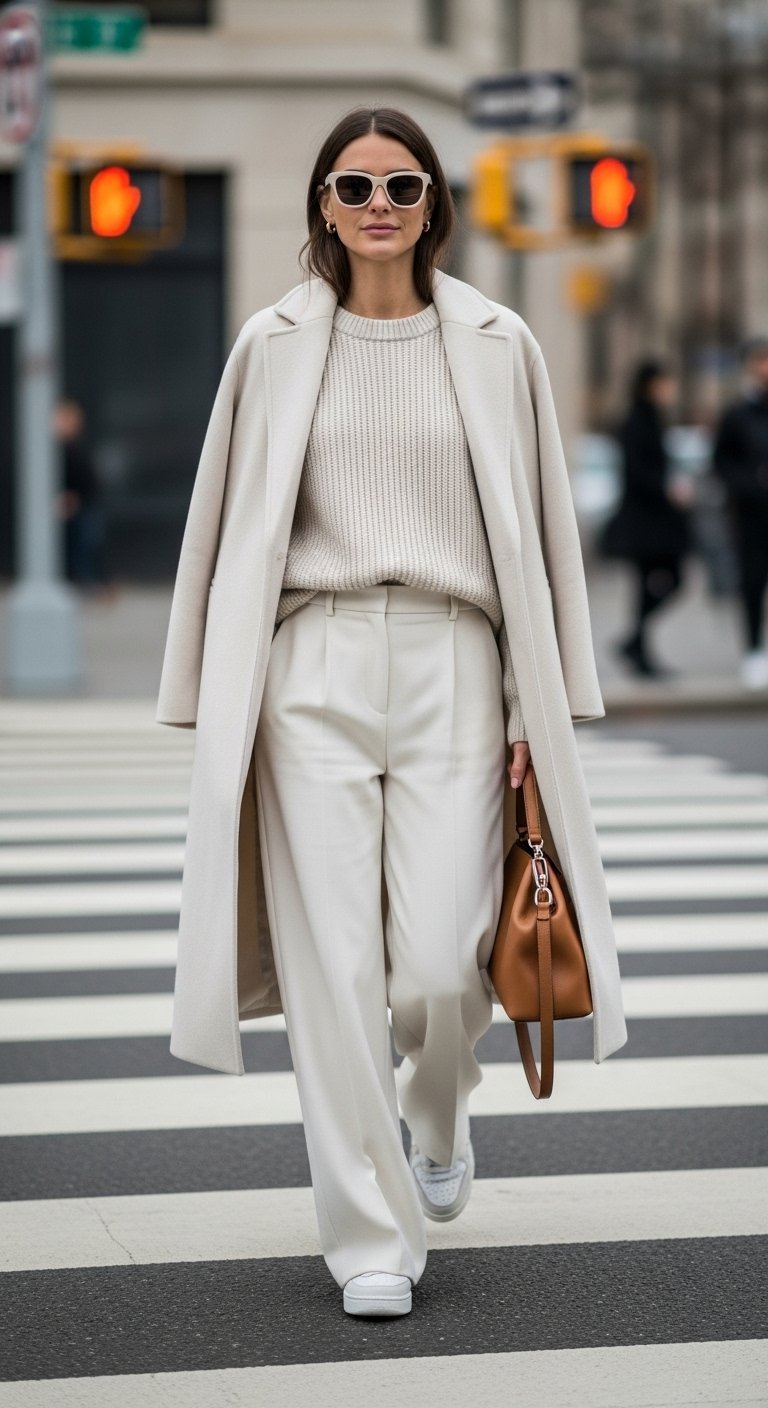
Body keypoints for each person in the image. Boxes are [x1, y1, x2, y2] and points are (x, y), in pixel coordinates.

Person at [155, 104, 627, 1320]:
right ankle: (369, 1230)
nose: (378, 205)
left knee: (437, 964)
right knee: (332, 969)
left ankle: (436, 1102)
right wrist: (207, 687)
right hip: (307, 662)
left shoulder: (496, 338)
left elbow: (537, 540)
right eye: (355, 186)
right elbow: (222, 526)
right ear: (322, 203)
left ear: (434, 205)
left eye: (402, 186)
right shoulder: (267, 344)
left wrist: (541, 694)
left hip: (456, 654)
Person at [599, 358, 693, 677]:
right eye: (664, 383)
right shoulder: (636, 422)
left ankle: (635, 642)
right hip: (644, 523)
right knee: (649, 585)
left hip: (658, 522)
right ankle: (638, 648)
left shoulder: (654, 419)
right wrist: (668, 489)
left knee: (667, 583)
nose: (670, 390)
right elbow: (637, 472)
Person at [712, 336, 768, 688]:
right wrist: (751, 484)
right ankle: (753, 650)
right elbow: (722, 462)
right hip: (751, 516)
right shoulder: (736, 415)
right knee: (752, 583)